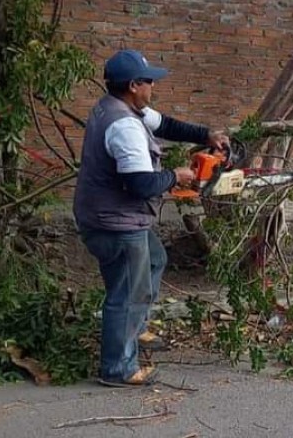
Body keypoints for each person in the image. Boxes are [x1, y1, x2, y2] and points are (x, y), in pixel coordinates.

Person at [73, 49, 228, 387]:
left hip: (109, 215)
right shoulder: (125, 126)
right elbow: (141, 184)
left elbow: (168, 124)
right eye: (149, 81)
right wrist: (176, 176)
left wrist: (206, 136)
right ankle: (118, 369)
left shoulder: (118, 107)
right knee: (128, 291)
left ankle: (136, 329)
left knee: (155, 259)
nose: (153, 87)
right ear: (133, 85)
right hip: (114, 223)